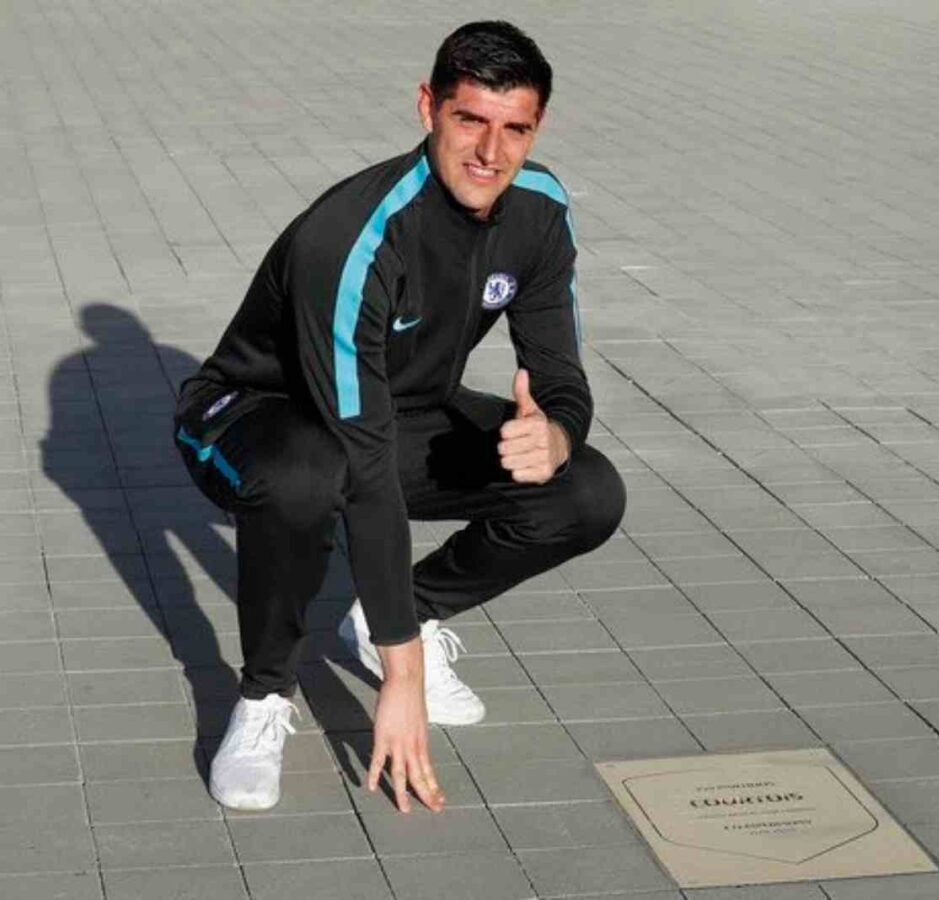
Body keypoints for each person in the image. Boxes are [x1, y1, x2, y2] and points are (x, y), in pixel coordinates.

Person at [173, 21, 625, 814]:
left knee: (584, 492)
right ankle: (264, 695)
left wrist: (553, 432)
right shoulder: (355, 237)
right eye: (469, 120)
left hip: (389, 409)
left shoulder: (541, 210)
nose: (491, 151)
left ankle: (405, 607)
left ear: (536, 127)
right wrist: (402, 677)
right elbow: (366, 466)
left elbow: (560, 374)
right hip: (255, 412)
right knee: (308, 478)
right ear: (428, 108)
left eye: (514, 127)